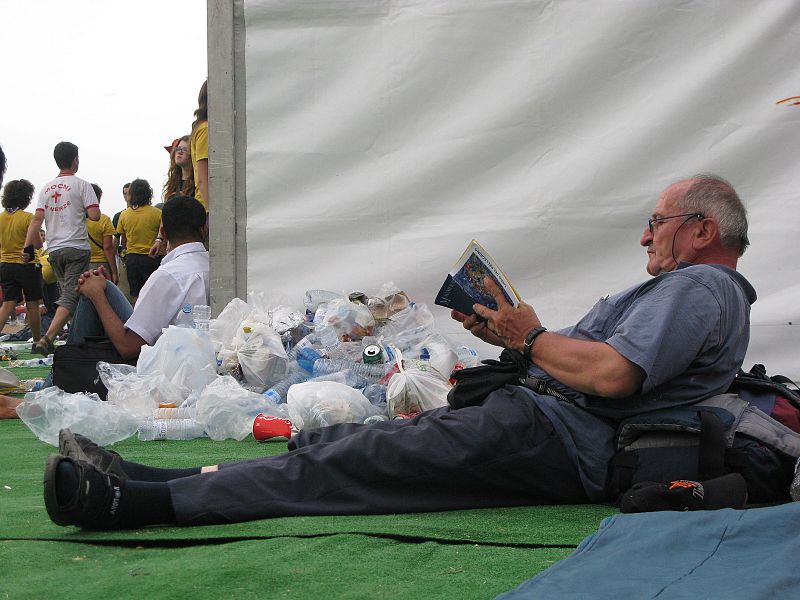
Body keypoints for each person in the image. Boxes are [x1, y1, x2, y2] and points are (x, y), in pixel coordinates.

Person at [41, 174, 755, 530]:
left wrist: (531, 338)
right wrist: (515, 343)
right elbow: (602, 366)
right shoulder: (699, 291)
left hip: (562, 437)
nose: (645, 236)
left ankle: (138, 503)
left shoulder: (701, 287)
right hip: (549, 424)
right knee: (343, 446)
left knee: (360, 461)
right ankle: (157, 480)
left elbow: (614, 374)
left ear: (700, 230)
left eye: (656, 222)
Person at [65, 195, 209, 359]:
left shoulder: (168, 276)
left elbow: (128, 347)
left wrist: (96, 296)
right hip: (198, 353)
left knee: (95, 288)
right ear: (204, 229)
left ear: (163, 233)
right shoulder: (215, 267)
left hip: (165, 361)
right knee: (103, 285)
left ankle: (66, 367)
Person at [23, 141, 100, 355]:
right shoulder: (82, 185)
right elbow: (94, 215)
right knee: (71, 295)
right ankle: (47, 338)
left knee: (71, 293)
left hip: (55, 250)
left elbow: (37, 219)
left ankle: (76, 337)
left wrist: (28, 246)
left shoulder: (46, 189)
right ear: (75, 160)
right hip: (76, 247)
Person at [0, 179, 43, 344]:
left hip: (6, 265)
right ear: (26, 197)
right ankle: (37, 341)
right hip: (27, 266)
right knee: (32, 305)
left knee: (7, 305)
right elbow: (38, 244)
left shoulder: (1, 218)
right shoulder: (28, 218)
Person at [115, 179, 162, 302]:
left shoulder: (124, 215)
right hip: (151, 258)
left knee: (136, 295)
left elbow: (123, 240)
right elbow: (163, 235)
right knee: (152, 294)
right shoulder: (157, 213)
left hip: (132, 259)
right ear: (148, 193)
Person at [86, 184, 118, 285]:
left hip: (82, 264)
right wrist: (114, 272)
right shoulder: (104, 220)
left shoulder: (76, 220)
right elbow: (108, 248)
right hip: (101, 264)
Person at [191, 81, 209, 212]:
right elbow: (203, 179)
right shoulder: (206, 129)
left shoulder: (201, 127)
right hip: (207, 207)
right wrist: (214, 212)